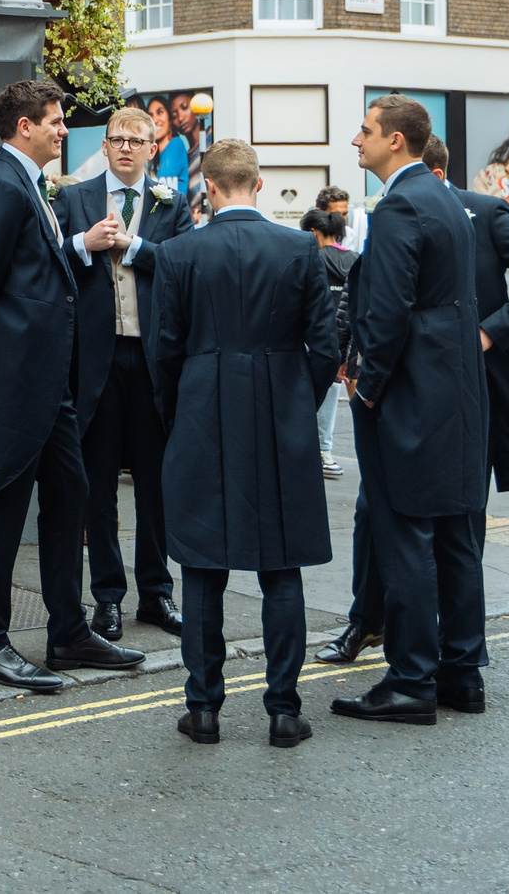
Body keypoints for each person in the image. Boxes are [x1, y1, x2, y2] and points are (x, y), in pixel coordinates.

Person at [0, 79, 139, 693]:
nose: (62, 129)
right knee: (2, 505)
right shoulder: (1, 187)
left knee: (69, 494)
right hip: (16, 377)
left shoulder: (27, 183)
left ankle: (69, 632)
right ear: (24, 126)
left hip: (49, 381)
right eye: (54, 121)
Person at [147, 140, 340, 750]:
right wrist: (293, 402)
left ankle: (203, 709)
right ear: (258, 185)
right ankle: (284, 710)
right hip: (279, 414)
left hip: (202, 411)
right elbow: (327, 348)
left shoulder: (178, 253)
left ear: (206, 188)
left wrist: (178, 412)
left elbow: (163, 351)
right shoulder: (296, 249)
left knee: (202, 565)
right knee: (281, 565)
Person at [329, 96, 485, 727]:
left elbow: (386, 313)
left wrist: (366, 385)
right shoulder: (448, 199)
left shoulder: (399, 206)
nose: (355, 140)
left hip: (410, 393)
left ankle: (411, 679)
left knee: (404, 533)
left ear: (395, 140)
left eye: (365, 131)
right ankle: (462, 674)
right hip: (456, 390)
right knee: (454, 534)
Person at [56, 105, 193, 641]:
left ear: (153, 147)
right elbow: (56, 265)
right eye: (118, 139)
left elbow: (182, 266)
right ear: (107, 145)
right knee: (99, 482)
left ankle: (157, 594)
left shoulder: (172, 201)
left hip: (153, 357)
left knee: (157, 481)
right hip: (97, 358)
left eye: (138, 140)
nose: (127, 148)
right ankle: (107, 597)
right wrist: (85, 245)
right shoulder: (74, 198)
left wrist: (134, 246)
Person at [304, 208, 355, 478]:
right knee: (334, 399)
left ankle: (312, 451)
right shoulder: (354, 259)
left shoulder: (311, 258)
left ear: (313, 233)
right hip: (344, 343)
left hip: (313, 338)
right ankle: (325, 450)